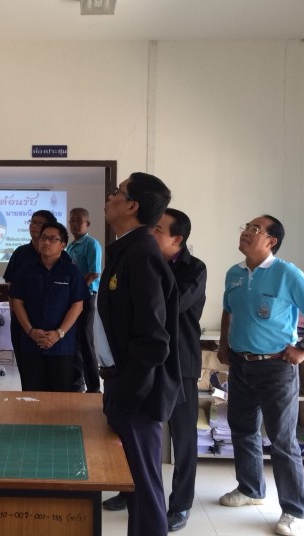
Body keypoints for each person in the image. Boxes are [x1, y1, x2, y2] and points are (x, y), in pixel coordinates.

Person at [216, 215, 304, 536]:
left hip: (276, 367)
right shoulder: (234, 273)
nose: (246, 232)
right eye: (246, 227)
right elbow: (228, 310)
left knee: (282, 439)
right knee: (242, 429)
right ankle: (250, 489)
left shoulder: (286, 273)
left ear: (271, 241)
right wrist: (224, 345)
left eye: (255, 229)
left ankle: (294, 510)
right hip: (241, 364)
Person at [102, 208, 207, 533]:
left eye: (158, 229)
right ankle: (128, 490)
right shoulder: (141, 261)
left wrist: (143, 280)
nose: (151, 233)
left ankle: (181, 504)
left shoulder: (193, 269)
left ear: (178, 239)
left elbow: (171, 304)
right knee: (136, 434)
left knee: (183, 437)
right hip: (144, 363)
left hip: (180, 364)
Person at [96, 172, 183, 536]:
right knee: (133, 482)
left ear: (132, 206)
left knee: (144, 489)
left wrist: (129, 392)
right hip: (123, 385)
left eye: (117, 192)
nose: (110, 197)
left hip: (138, 394)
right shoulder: (127, 249)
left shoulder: (142, 254)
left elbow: (153, 339)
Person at [9, 221, 89, 391]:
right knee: (32, 395)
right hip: (31, 343)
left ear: (62, 245)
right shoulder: (25, 271)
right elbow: (17, 303)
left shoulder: (72, 272)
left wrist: (59, 333)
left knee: (60, 396)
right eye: (43, 238)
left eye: (52, 239)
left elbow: (77, 306)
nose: (46, 242)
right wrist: (30, 331)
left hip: (61, 346)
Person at [3, 210, 57, 386]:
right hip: (22, 320)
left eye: (40, 223)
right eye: (32, 222)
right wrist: (14, 313)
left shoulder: (59, 255)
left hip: (51, 323)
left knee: (52, 373)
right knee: (27, 371)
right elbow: (11, 285)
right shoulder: (20, 253)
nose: (34, 226)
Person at [65, 207, 103, 393]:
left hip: (85, 297)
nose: (74, 224)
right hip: (72, 299)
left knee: (86, 341)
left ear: (87, 223)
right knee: (74, 341)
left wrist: (77, 292)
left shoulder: (91, 244)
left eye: (78, 221)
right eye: (71, 220)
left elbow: (94, 273)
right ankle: (77, 384)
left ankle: (94, 387)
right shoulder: (70, 246)